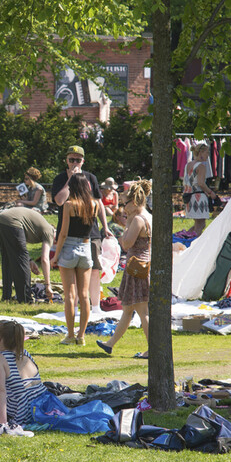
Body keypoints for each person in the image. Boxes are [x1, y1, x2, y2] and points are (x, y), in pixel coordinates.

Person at [51, 145, 111, 316]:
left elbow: (98, 203)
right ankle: (74, 307)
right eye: (71, 160)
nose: (75, 163)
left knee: (93, 270)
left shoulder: (90, 178)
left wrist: (105, 227)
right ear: (66, 161)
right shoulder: (60, 178)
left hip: (90, 232)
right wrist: (71, 180)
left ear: (83, 161)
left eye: (78, 160)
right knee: (71, 272)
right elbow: (59, 201)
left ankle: (96, 306)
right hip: (68, 231)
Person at [97, 181, 152, 357]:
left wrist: (126, 225)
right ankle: (110, 344)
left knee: (143, 311)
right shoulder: (147, 216)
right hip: (140, 267)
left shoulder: (137, 219)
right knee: (128, 308)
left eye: (124, 203)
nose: (123, 207)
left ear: (134, 203)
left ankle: (153, 349)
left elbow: (127, 244)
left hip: (137, 268)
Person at [0, 320, 46, 434]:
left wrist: (3, 423)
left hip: (21, 410)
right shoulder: (24, 353)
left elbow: (0, 390)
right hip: (38, 405)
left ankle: (2, 416)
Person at [52, 174, 98, 345]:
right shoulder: (94, 204)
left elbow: (63, 233)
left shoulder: (69, 205)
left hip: (69, 248)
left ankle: (70, 335)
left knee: (70, 296)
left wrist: (56, 256)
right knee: (84, 295)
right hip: (86, 248)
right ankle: (82, 336)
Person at [0, 207, 54, 304]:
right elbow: (45, 259)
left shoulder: (38, 227)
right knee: (22, 263)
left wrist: (29, 260)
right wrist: (47, 285)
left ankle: (6, 297)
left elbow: (20, 246)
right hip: (13, 223)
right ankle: (26, 299)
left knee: (8, 259)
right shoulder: (50, 232)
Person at [183, 143, 218, 236]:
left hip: (189, 197)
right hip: (198, 197)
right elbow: (201, 183)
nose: (208, 155)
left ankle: (185, 238)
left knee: (197, 224)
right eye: (207, 152)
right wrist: (210, 192)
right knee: (201, 225)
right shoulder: (201, 166)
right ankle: (193, 244)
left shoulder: (188, 165)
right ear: (201, 152)